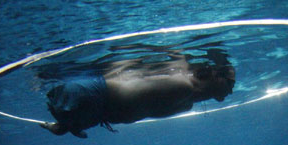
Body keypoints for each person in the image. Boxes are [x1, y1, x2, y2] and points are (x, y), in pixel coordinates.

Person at [40, 53, 235, 138]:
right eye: (228, 81)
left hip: (97, 106)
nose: (230, 88)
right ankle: (66, 125)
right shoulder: (185, 90)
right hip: (97, 101)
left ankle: (66, 125)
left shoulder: (186, 97)